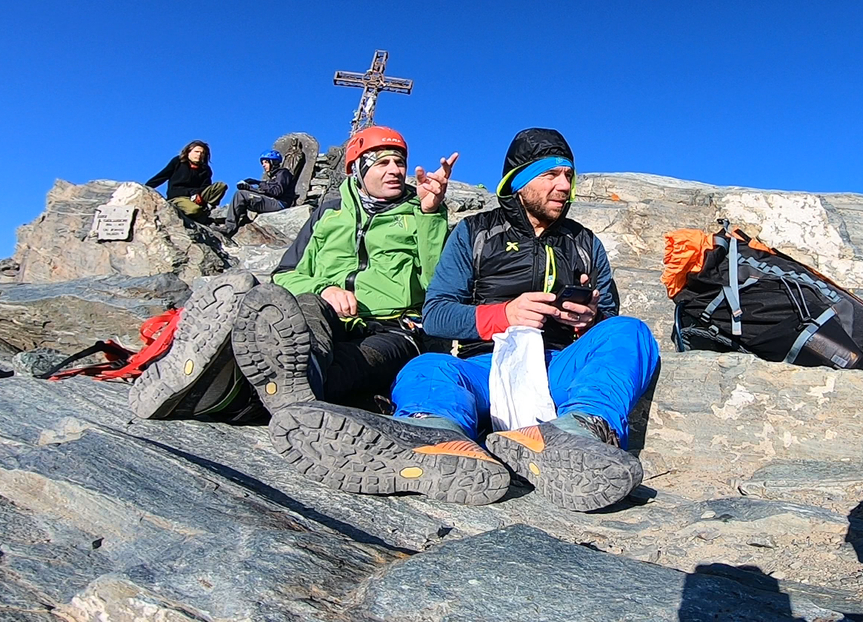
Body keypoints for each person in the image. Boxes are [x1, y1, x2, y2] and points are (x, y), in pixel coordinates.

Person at [267, 128, 660, 511]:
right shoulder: (476, 232)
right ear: (519, 181)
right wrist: (502, 315)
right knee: (426, 365)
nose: (563, 186)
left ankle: (578, 434)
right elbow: (436, 314)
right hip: (485, 368)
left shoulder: (584, 242)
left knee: (630, 332)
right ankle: (439, 437)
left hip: (559, 365)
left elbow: (609, 318)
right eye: (550, 175)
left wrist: (588, 319)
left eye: (568, 176)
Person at [229, 125, 459, 417]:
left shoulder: (422, 214)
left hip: (393, 329)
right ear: (358, 169)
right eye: (382, 162)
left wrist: (430, 215)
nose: (396, 170)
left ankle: (265, 398)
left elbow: (437, 285)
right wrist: (325, 289)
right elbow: (285, 274)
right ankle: (301, 379)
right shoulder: (327, 214)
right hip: (326, 320)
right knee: (307, 306)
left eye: (400, 162)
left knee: (344, 370)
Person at [218, 149, 297, 236]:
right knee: (244, 193)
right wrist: (252, 187)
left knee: (240, 194)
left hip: (279, 203)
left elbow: (276, 192)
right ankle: (242, 220)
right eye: (262, 163)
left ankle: (229, 227)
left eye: (266, 162)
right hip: (273, 201)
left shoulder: (283, 173)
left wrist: (255, 186)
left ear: (273, 162)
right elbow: (269, 191)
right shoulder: (274, 176)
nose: (263, 165)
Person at [145, 140, 228, 221]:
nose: (199, 155)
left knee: (221, 186)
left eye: (202, 153)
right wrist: (146, 188)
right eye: (196, 151)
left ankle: (208, 208)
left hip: (197, 196)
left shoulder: (205, 169)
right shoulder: (178, 162)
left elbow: (205, 187)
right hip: (179, 197)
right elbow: (162, 176)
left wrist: (197, 194)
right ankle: (200, 215)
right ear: (188, 151)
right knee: (194, 210)